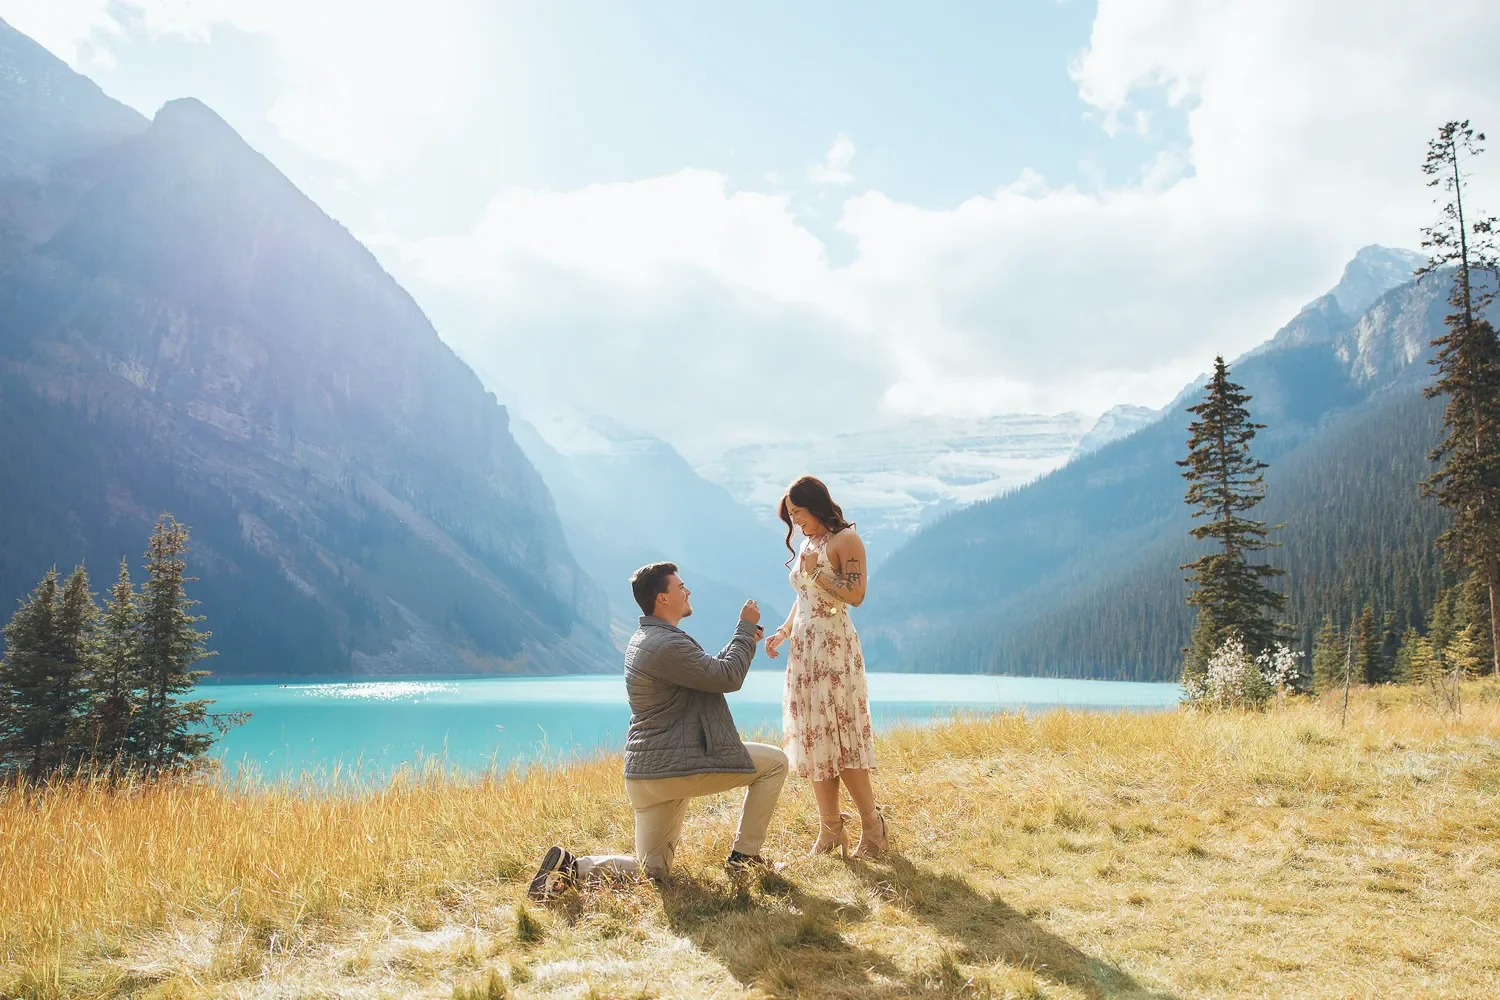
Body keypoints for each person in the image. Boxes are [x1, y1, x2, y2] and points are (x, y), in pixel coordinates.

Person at [528, 562, 788, 900]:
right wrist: (744, 628)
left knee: (653, 871)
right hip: (674, 768)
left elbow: (707, 672)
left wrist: (742, 641)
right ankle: (745, 858)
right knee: (776, 763)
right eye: (681, 587)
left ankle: (572, 867)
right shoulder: (665, 644)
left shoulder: (648, 639)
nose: (688, 590)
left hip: (646, 775)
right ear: (663, 599)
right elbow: (727, 678)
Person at [765, 475, 888, 859]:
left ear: (816, 506)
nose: (796, 522)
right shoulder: (808, 541)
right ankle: (830, 830)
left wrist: (819, 572)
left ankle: (874, 827)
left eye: (798, 513)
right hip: (804, 650)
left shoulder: (845, 541)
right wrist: (784, 632)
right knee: (816, 740)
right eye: (792, 517)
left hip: (833, 650)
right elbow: (805, 594)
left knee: (841, 737)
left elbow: (857, 595)